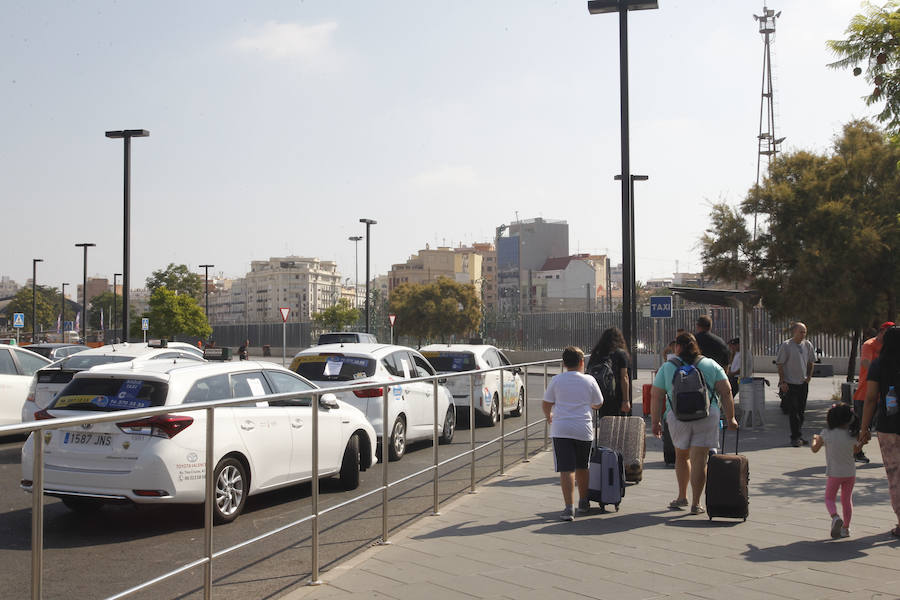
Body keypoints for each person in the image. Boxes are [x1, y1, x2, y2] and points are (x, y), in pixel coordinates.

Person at [650, 332, 738, 515]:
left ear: (678, 348)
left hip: (678, 416)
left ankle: (682, 496)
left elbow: (656, 396)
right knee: (700, 460)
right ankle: (696, 503)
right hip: (707, 415)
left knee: (682, 457)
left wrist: (656, 421)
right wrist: (731, 418)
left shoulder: (667, 367)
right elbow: (726, 391)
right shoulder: (710, 364)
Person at [542, 346, 604, 521]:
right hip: (583, 428)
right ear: (581, 362)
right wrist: (588, 405)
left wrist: (549, 417)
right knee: (583, 467)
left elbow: (546, 403)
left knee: (566, 469)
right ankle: (584, 502)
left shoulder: (557, 380)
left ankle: (569, 508)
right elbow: (599, 403)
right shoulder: (589, 380)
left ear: (564, 363)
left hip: (561, 428)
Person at [858, 325, 900, 538]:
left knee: (895, 475)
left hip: (888, 426)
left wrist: (864, 429)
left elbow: (871, 399)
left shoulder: (878, 364)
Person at [811, 403, 861, 538]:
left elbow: (814, 449)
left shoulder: (826, 434)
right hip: (850, 473)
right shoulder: (852, 435)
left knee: (829, 498)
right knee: (846, 500)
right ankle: (846, 528)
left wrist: (815, 439)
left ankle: (835, 517)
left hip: (835, 473)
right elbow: (857, 450)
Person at [852, 321, 894, 463]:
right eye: (887, 333)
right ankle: (856, 452)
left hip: (882, 395)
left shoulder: (890, 347)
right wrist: (880, 373)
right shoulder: (869, 345)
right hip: (865, 392)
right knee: (863, 427)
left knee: (885, 426)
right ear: (881, 331)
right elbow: (865, 362)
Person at [777, 322, 816, 447]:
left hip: (802, 383)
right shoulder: (787, 345)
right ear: (794, 332)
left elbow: (811, 362)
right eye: (801, 332)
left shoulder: (808, 345)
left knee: (801, 411)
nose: (803, 334)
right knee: (793, 411)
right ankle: (795, 437)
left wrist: (809, 377)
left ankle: (798, 434)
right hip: (790, 383)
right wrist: (782, 381)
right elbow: (780, 364)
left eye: (805, 332)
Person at [586, 327, 631, 416]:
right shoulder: (621, 354)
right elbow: (624, 377)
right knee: (618, 425)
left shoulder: (596, 353)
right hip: (617, 395)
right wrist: (626, 400)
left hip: (601, 394)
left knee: (604, 422)